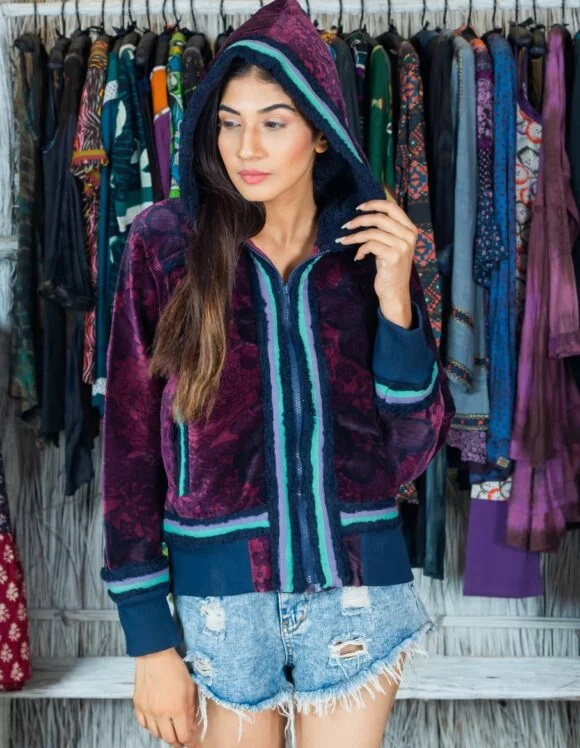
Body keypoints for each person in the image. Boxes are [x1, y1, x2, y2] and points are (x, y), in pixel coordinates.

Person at [100, 1, 455, 747]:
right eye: (229, 122)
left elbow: (411, 449)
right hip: (221, 603)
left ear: (320, 130)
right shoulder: (165, 245)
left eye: (273, 122)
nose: (246, 147)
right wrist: (149, 640)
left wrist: (397, 300)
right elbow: (128, 450)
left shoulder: (367, 247)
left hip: (358, 590)